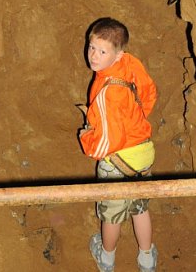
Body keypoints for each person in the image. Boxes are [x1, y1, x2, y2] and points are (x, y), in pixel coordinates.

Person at [79, 17, 158, 272]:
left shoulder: (106, 93)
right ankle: (147, 259)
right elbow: (148, 91)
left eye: (103, 51)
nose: (94, 55)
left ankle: (107, 259)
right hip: (143, 150)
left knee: (111, 216)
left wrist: (86, 136)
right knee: (139, 207)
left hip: (118, 162)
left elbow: (103, 146)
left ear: (117, 54)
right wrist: (135, 118)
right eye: (92, 47)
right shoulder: (129, 63)